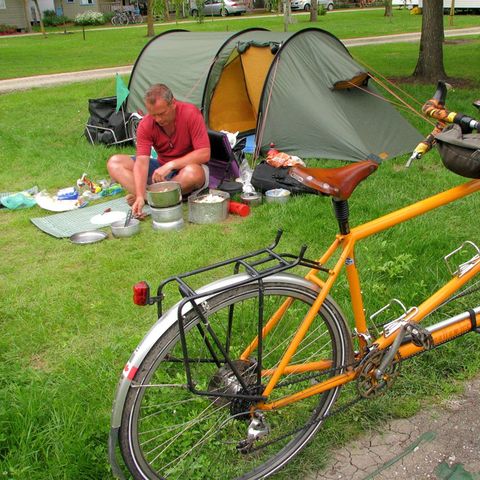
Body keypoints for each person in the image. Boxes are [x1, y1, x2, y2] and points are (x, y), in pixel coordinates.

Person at [107, 84, 211, 218]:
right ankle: (148, 197)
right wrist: (139, 194)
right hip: (160, 171)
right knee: (114, 163)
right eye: (153, 115)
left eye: (162, 114)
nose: (158, 119)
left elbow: (204, 153)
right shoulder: (146, 124)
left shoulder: (190, 113)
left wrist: (171, 165)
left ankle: (155, 196)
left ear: (173, 103)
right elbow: (142, 162)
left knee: (193, 173)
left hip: (186, 169)